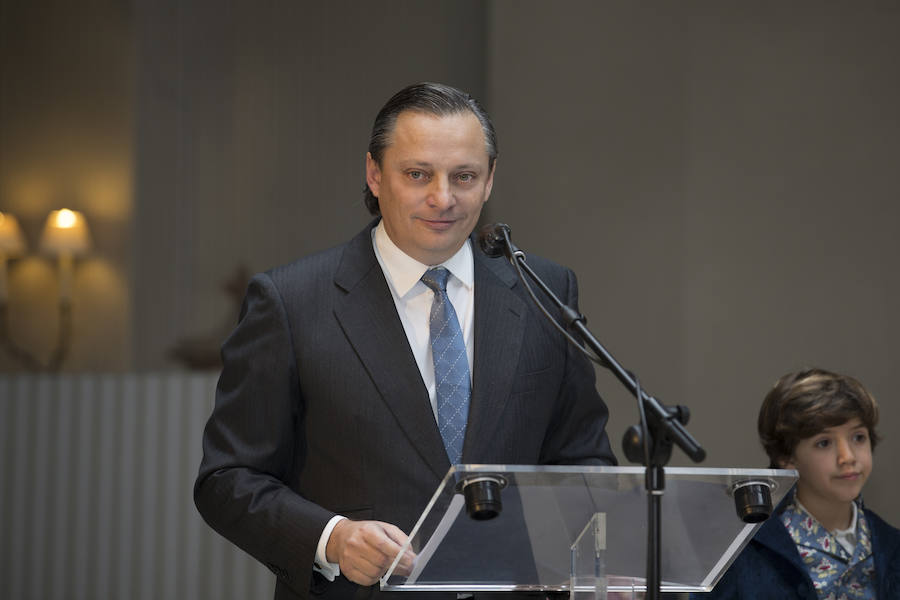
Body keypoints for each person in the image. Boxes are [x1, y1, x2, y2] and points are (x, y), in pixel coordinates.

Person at [194, 81, 617, 600]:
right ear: (374, 174)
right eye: (418, 175)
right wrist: (332, 538)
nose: (443, 198)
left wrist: (593, 562)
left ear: (489, 182)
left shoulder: (544, 292)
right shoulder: (291, 302)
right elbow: (227, 479)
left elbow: (583, 460)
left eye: (464, 176)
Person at [695, 368, 900, 599]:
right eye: (824, 443)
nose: (848, 456)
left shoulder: (890, 545)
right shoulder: (744, 552)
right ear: (787, 457)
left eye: (858, 437)